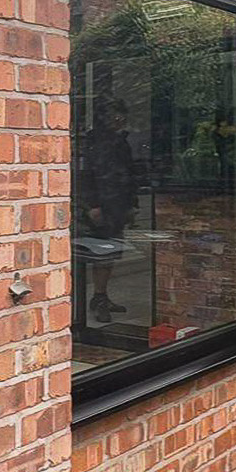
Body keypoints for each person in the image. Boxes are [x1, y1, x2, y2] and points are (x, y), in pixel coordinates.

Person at [77, 94, 138, 323]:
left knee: (110, 252)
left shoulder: (119, 141)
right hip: (99, 205)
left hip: (116, 204)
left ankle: (101, 295)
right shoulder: (94, 142)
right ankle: (96, 300)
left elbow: (129, 174)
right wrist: (92, 205)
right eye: (115, 115)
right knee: (99, 253)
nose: (120, 120)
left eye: (121, 115)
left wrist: (132, 204)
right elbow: (86, 175)